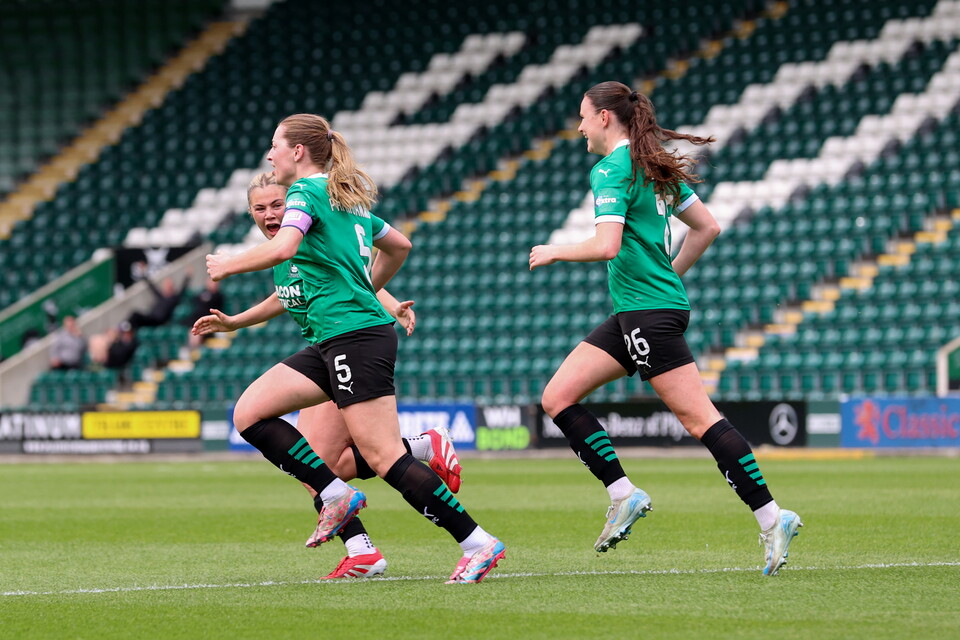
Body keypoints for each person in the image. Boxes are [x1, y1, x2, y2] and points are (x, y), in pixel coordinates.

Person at [205, 114, 504, 584]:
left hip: (353, 337)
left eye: (274, 145)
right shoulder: (344, 197)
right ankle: (339, 500)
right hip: (334, 339)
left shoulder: (307, 192)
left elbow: (284, 249)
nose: (270, 154)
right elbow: (399, 246)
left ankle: (477, 542)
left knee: (384, 457)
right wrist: (367, 293)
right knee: (250, 414)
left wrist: (228, 265)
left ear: (298, 151)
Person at [529, 81, 802, 576]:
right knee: (557, 398)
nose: (580, 127)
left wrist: (554, 251)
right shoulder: (651, 165)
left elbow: (607, 245)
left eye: (584, 117)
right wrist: (670, 275)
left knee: (701, 420)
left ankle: (772, 517)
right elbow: (708, 228)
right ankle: (623, 493)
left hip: (648, 314)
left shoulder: (612, 168)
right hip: (638, 312)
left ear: (606, 118)